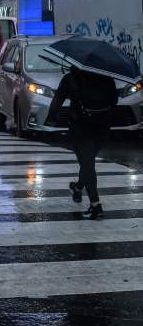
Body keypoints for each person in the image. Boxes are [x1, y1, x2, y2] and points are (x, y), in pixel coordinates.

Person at [45, 67, 118, 219]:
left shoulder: (70, 78)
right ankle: (78, 188)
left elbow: (58, 99)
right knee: (88, 163)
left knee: (87, 164)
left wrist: (51, 119)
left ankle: (95, 205)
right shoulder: (107, 78)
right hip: (102, 126)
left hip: (80, 127)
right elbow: (114, 101)